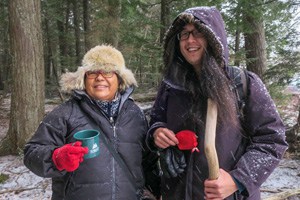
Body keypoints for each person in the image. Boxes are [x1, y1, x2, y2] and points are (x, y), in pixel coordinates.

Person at [146, 6, 288, 200]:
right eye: (184, 34)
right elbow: (156, 119)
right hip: (177, 193)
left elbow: (272, 139)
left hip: (228, 196)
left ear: (213, 38)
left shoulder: (243, 83)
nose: (190, 40)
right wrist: (158, 132)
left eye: (198, 33)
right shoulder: (171, 85)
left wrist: (237, 180)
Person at [23, 44, 159, 200]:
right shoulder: (65, 113)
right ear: (84, 78)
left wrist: (155, 190)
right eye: (93, 72)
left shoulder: (135, 115)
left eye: (108, 72)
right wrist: (56, 158)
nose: (100, 77)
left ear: (120, 78)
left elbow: (149, 162)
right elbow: (31, 153)